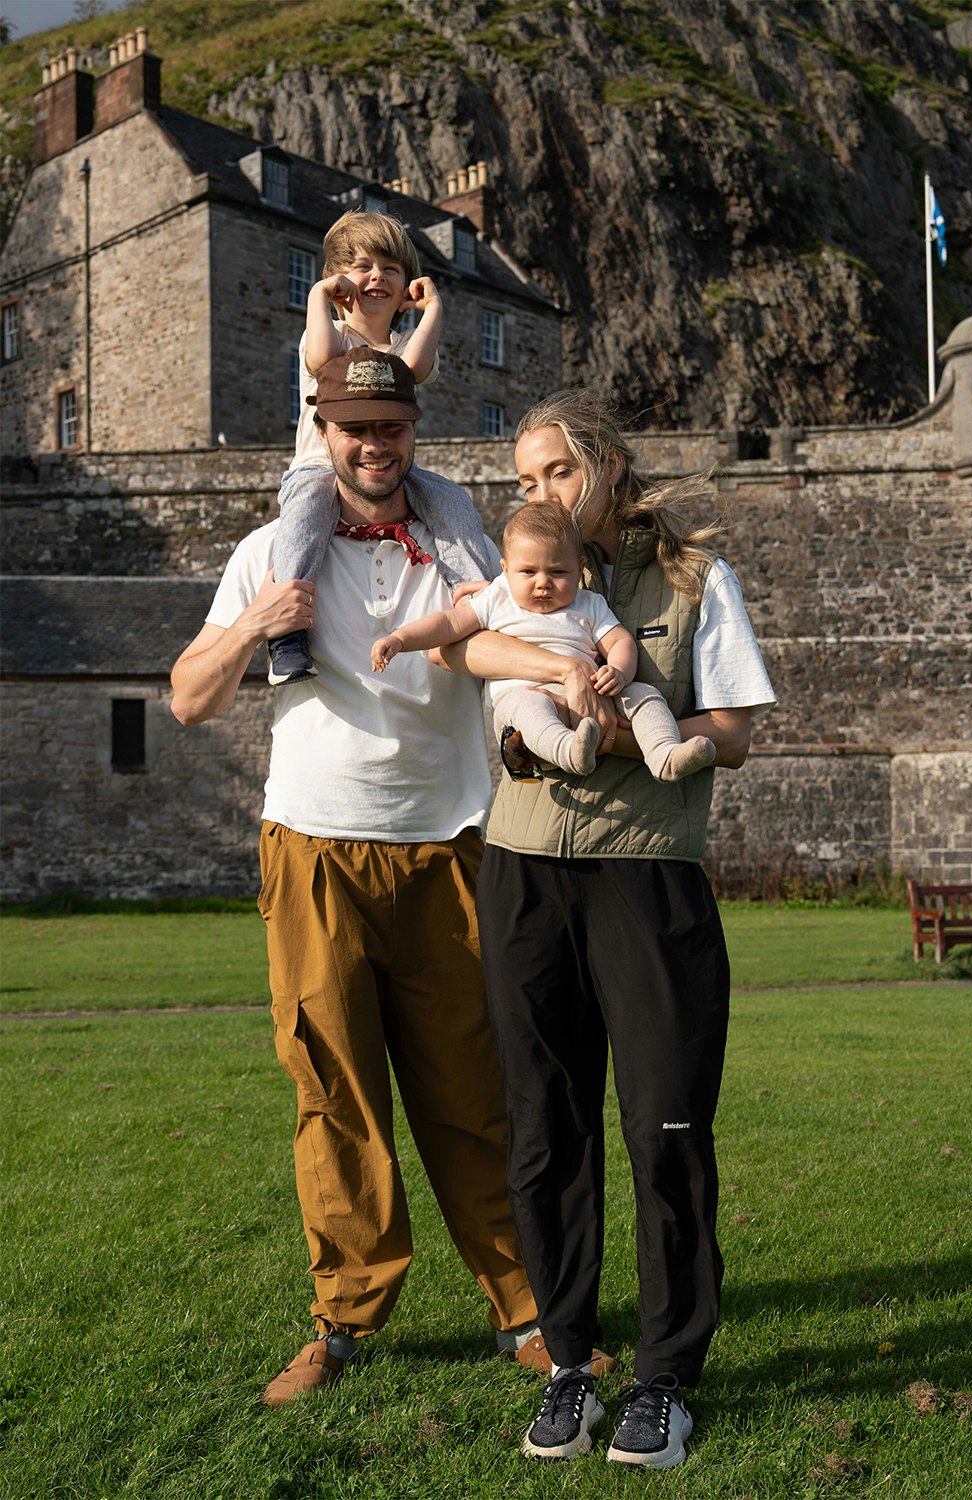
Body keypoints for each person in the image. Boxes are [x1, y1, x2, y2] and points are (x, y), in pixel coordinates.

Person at [167, 349, 596, 1405]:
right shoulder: (270, 552)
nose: (372, 445)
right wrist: (256, 626)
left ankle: (526, 1311)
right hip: (312, 847)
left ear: (414, 433)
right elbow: (187, 697)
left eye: (390, 427)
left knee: (475, 1091)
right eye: (353, 428)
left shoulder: (467, 559)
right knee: (335, 1093)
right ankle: (344, 1319)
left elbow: (513, 639)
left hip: (452, 845)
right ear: (324, 432)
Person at [448, 390, 773, 1469]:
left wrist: (610, 735)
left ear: (609, 467)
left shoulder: (694, 582)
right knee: (544, 1128)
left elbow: (731, 736)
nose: (540, 492)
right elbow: (456, 653)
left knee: (665, 1125)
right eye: (525, 478)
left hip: (647, 876)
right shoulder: (514, 578)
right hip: (523, 870)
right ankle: (569, 1364)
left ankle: (665, 1377)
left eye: (557, 470)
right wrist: (547, 677)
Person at [256, 212, 491, 683]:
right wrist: (319, 295)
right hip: (317, 465)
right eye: (362, 267)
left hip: (390, 468)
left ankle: (478, 601)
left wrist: (433, 309)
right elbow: (322, 359)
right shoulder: (329, 333)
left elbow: (414, 369)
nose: (377, 276)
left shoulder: (405, 343)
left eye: (390, 269)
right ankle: (288, 633)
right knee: (303, 519)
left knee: (451, 501)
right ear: (338, 280)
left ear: (406, 288)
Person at [369, 500, 715, 780]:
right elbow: (448, 624)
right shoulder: (497, 596)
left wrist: (619, 672)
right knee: (530, 711)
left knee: (644, 696)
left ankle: (665, 753)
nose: (543, 583)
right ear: (506, 569)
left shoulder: (589, 604)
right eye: (528, 572)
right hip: (523, 693)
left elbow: (619, 640)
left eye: (558, 572)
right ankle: (570, 751)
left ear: (579, 568)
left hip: (592, 691)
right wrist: (400, 639)